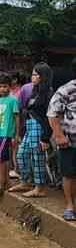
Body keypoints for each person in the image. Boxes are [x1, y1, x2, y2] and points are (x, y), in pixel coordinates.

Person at [11, 64, 53, 198]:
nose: (32, 77)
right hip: (30, 125)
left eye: (35, 74)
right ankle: (26, 181)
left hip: (40, 127)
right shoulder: (34, 90)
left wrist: (45, 137)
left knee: (37, 157)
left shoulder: (48, 93)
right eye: (33, 74)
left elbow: (50, 116)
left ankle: (40, 188)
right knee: (21, 154)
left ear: (42, 76)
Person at [47, 59, 76, 221]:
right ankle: (70, 206)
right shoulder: (66, 90)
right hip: (69, 141)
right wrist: (59, 136)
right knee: (69, 173)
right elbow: (52, 113)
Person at [0, 73, 20, 195]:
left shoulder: (13, 100)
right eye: (0, 86)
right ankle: (6, 181)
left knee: (0, 158)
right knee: (3, 158)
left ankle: (2, 183)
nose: (2, 89)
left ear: (10, 86)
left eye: (5, 86)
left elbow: (17, 117)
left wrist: (16, 135)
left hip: (6, 133)